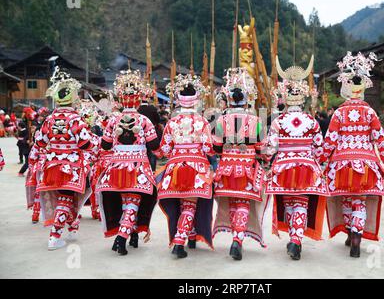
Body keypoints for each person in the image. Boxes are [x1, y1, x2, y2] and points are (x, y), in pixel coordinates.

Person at [320, 52, 384, 258]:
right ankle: (356, 236)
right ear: (363, 90)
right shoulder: (370, 113)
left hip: (342, 164)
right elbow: (379, 137)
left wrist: (321, 160)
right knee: (359, 200)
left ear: (347, 88)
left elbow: (330, 140)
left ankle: (351, 233)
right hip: (367, 163)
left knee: (346, 199)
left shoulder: (339, 113)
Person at [263, 56, 329, 260]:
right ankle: (296, 239)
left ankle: (294, 238)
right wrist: (319, 161)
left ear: (285, 97)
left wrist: (264, 157)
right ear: (303, 97)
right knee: (301, 202)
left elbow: (270, 148)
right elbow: (319, 150)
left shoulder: (278, 121)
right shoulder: (312, 121)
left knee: (290, 202)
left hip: (283, 166)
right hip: (306, 167)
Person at [96, 69, 160, 256]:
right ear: (139, 99)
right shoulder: (144, 120)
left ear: (120, 99)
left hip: (116, 167)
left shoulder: (113, 120)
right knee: (133, 202)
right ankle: (122, 237)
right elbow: (154, 145)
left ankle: (131, 235)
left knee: (125, 202)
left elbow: (105, 145)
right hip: (138, 167)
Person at [155, 74, 214, 259]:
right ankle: (180, 242)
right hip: (196, 167)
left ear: (178, 100)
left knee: (181, 204)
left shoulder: (172, 122)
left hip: (175, 167)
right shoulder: (202, 122)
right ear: (196, 99)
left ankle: (190, 235)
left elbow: (163, 149)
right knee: (190, 204)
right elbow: (208, 148)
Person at [34, 67, 94, 250]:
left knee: (63, 197)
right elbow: (85, 143)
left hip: (52, 165)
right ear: (72, 98)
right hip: (72, 166)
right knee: (67, 199)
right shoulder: (76, 119)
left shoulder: (49, 120)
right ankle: (54, 236)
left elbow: (40, 143)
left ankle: (72, 228)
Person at [211, 68, 267, 260]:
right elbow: (261, 148)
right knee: (243, 202)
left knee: (234, 202)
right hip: (246, 169)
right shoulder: (255, 120)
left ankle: (236, 236)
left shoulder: (221, 120)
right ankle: (238, 238)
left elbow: (216, 147)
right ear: (247, 98)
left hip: (226, 169)